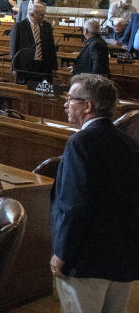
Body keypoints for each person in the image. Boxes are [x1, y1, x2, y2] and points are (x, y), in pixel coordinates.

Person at [50, 74, 139, 312]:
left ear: (88, 105)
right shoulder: (128, 142)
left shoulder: (81, 142)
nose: (66, 104)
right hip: (122, 260)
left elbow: (74, 204)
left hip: (86, 260)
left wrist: (62, 252)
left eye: (71, 99)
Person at [10, 2, 57, 89]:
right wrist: (14, 67)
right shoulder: (19, 26)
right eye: (41, 15)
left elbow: (51, 47)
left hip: (44, 66)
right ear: (32, 14)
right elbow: (14, 48)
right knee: (27, 91)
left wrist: (54, 66)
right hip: (26, 67)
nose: (44, 17)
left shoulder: (47, 26)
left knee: (43, 92)